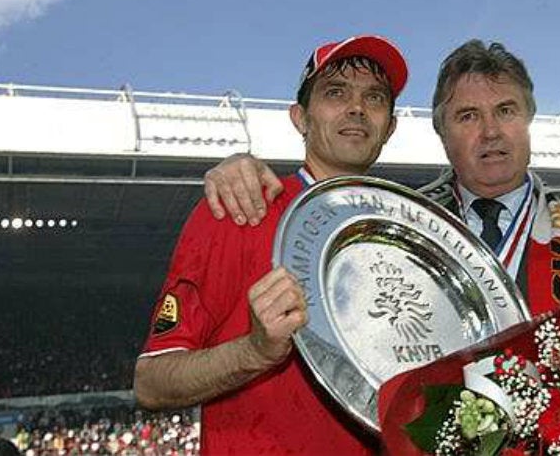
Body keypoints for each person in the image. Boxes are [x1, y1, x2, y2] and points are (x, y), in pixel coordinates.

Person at [202, 39, 560, 315]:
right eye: (468, 115)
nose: (490, 131)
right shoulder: (396, 226)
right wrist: (237, 162)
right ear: (441, 132)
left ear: (529, 119)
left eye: (506, 111)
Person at [134, 34, 407, 456]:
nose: (357, 107)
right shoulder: (238, 210)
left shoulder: (408, 233)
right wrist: (256, 350)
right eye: (336, 93)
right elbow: (151, 382)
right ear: (300, 117)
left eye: (374, 97)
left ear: (389, 126)